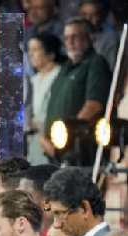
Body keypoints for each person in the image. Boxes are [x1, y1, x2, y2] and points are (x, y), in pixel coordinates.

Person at [42, 18, 110, 158]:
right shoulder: (65, 68)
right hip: (56, 150)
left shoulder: (96, 62)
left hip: (79, 151)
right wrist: (45, 139)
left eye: (75, 37)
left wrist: (67, 135)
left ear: (89, 38)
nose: (70, 42)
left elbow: (94, 105)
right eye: (66, 38)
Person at [26, 33, 62, 165]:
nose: (31, 54)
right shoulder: (33, 80)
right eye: (29, 50)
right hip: (34, 139)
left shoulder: (60, 75)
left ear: (50, 53)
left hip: (52, 137)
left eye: (36, 49)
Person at [78, 0, 119, 69]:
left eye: (94, 15)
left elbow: (110, 67)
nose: (88, 19)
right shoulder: (71, 33)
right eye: (84, 14)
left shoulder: (110, 39)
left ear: (103, 16)